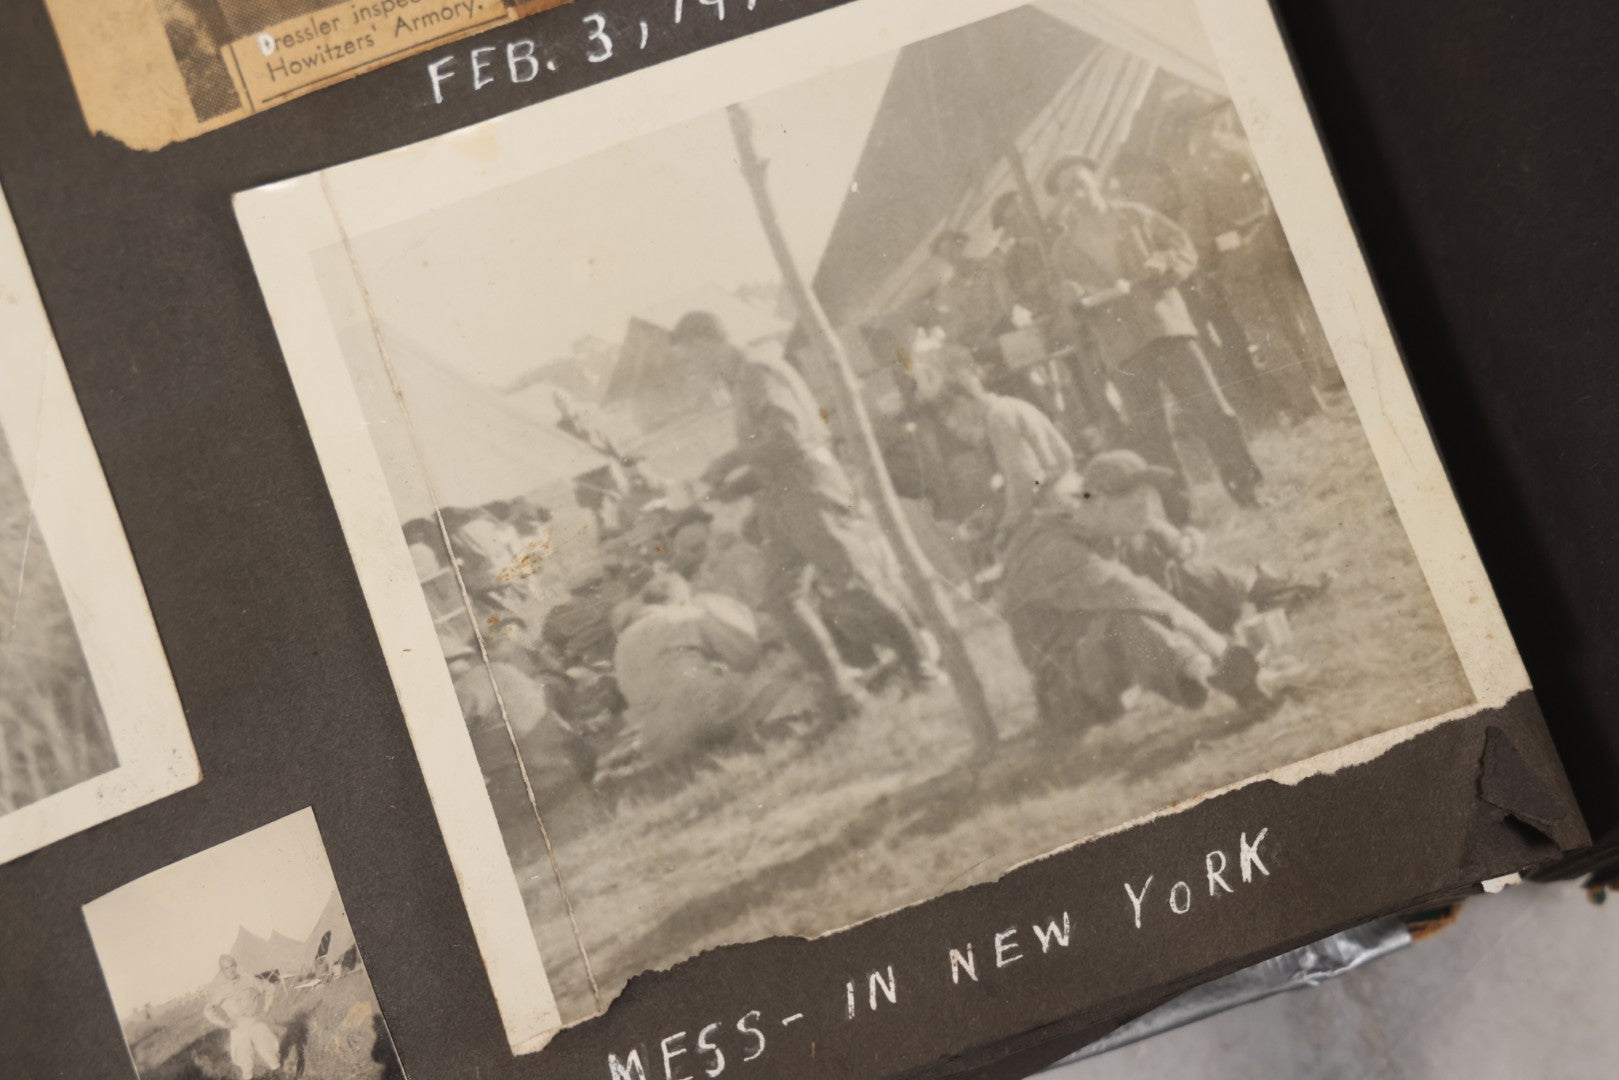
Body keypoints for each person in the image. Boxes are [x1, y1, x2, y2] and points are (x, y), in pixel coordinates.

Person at [674, 311, 935, 713]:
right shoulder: (742, 379)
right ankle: (843, 692)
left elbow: (791, 438)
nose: (692, 369)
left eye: (692, 357)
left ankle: (924, 670)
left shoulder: (759, 371)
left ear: (708, 342)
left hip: (809, 490)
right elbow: (772, 453)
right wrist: (736, 486)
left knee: (854, 583)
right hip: (781, 498)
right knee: (781, 599)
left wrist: (730, 461)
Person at [1044, 154, 1263, 519]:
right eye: (1069, 191)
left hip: (1165, 325)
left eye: (1081, 183)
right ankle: (1181, 515)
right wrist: (1072, 298)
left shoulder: (1134, 216)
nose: (1078, 194)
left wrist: (1164, 264)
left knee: (1212, 409)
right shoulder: (1063, 251)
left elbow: (1183, 249)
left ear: (1095, 181)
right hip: (1122, 348)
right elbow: (1065, 311)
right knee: (1152, 434)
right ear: (1064, 200)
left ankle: (1248, 489)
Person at [998, 457, 1280, 731]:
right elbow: (1140, 595)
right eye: (1135, 508)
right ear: (1102, 504)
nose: (1145, 514)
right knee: (1125, 619)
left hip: (1098, 656)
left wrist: (1177, 541)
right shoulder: (1055, 553)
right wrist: (1221, 649)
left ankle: (1267, 589)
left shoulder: (1088, 514)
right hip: (1068, 689)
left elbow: (1146, 531)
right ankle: (1220, 677)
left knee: (1177, 572)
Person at [612, 573, 776, 767]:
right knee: (785, 675)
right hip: (708, 713)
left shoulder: (621, 645)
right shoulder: (683, 615)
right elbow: (745, 656)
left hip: (660, 738)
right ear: (682, 600)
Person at [202, 954, 281, 1080]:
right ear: (222, 971)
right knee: (245, 1061)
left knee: (269, 1050)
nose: (231, 970)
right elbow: (208, 1011)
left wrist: (266, 1010)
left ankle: (280, 1075)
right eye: (226, 968)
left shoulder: (248, 980)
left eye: (232, 966)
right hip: (238, 1027)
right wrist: (225, 1023)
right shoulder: (220, 990)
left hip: (254, 1021)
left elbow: (269, 988)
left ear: (236, 965)